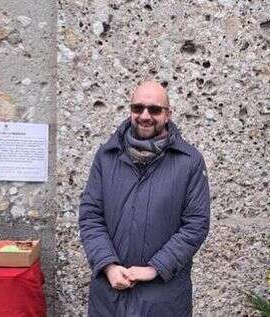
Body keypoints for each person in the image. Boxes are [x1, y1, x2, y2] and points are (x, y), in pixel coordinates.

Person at [79, 80, 211, 316]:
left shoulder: (189, 162)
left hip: (163, 299)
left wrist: (154, 268)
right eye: (138, 108)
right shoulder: (106, 156)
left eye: (155, 109)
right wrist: (109, 266)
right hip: (109, 297)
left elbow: (195, 225)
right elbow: (91, 216)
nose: (145, 115)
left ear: (168, 114)